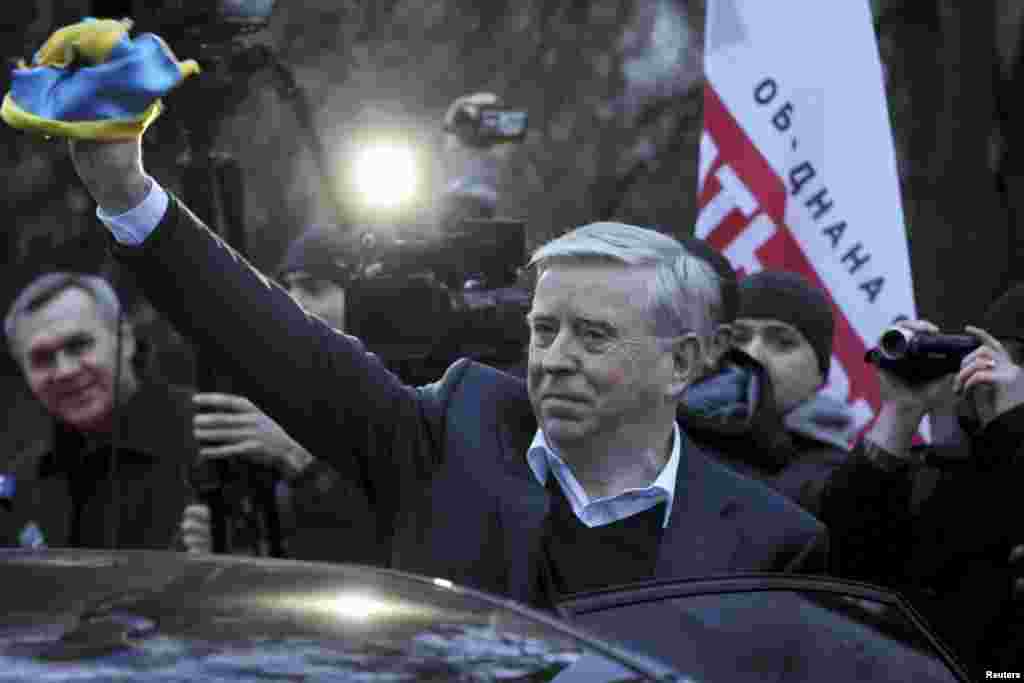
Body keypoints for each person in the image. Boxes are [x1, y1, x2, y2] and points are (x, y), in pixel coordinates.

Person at [821, 284, 1024, 677]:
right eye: (989, 356)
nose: (1000, 374)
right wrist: (901, 411)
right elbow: (843, 575)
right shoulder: (939, 473)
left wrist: (1015, 425)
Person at [182, 224, 385, 565]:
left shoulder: (409, 398)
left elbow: (398, 543)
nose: (292, 301)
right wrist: (230, 547)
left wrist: (300, 459)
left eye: (313, 287)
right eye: (286, 286)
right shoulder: (267, 396)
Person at [0, 271, 195, 550]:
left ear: (125, 339)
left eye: (79, 345)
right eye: (42, 359)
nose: (65, 371)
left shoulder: (211, 436)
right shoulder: (19, 486)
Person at [680, 270, 854, 518]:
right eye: (739, 338)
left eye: (782, 342)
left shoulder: (843, 479)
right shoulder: (663, 442)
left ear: (821, 375)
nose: (753, 354)